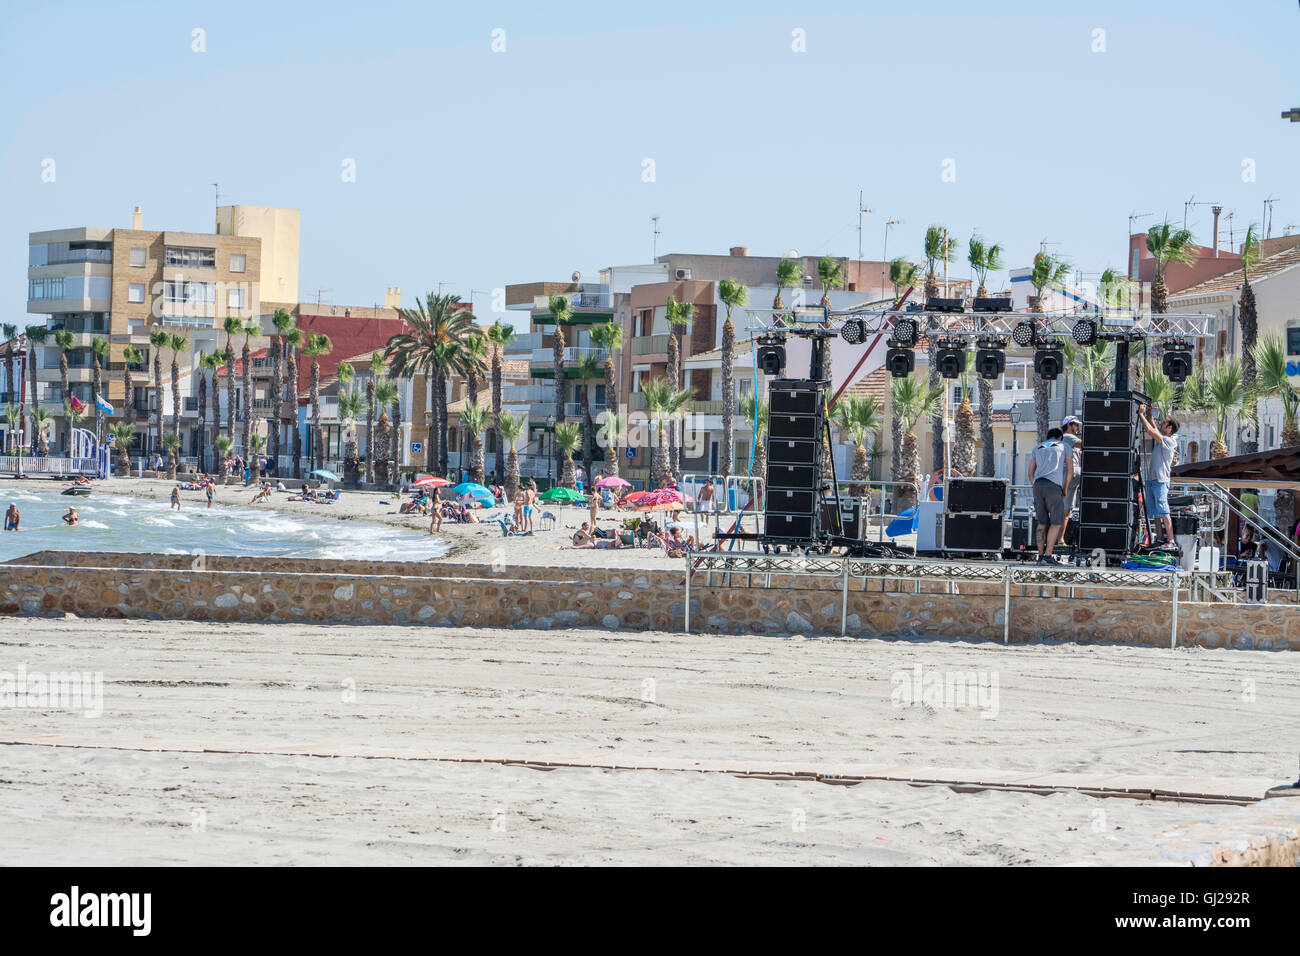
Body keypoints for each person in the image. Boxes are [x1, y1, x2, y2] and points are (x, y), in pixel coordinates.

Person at [1027, 427, 1073, 565]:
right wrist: (1065, 489)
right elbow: (1070, 469)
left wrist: (1034, 485)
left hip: (1038, 485)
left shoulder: (1038, 447)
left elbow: (1030, 472)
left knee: (1041, 522)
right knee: (1056, 522)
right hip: (1053, 486)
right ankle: (1048, 556)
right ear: (1060, 437)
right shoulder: (1064, 445)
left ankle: (1040, 556)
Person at [1138, 405, 1178, 549]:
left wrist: (1141, 414)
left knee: (1163, 510)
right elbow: (1153, 425)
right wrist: (1149, 413)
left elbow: (1150, 429)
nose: (1161, 424)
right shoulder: (1162, 438)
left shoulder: (1169, 441)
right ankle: (1160, 540)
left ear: (1170, 429)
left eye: (1164, 423)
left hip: (1160, 481)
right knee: (1155, 512)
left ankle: (1171, 541)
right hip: (1152, 480)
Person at [1060, 415, 1083, 541]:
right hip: (1068, 474)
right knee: (1064, 509)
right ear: (1069, 425)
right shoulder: (1067, 436)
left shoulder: (1070, 439)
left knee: (1068, 510)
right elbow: (1083, 444)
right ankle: (1058, 538)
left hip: (1074, 476)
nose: (1078, 427)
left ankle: (1060, 539)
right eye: (1075, 424)